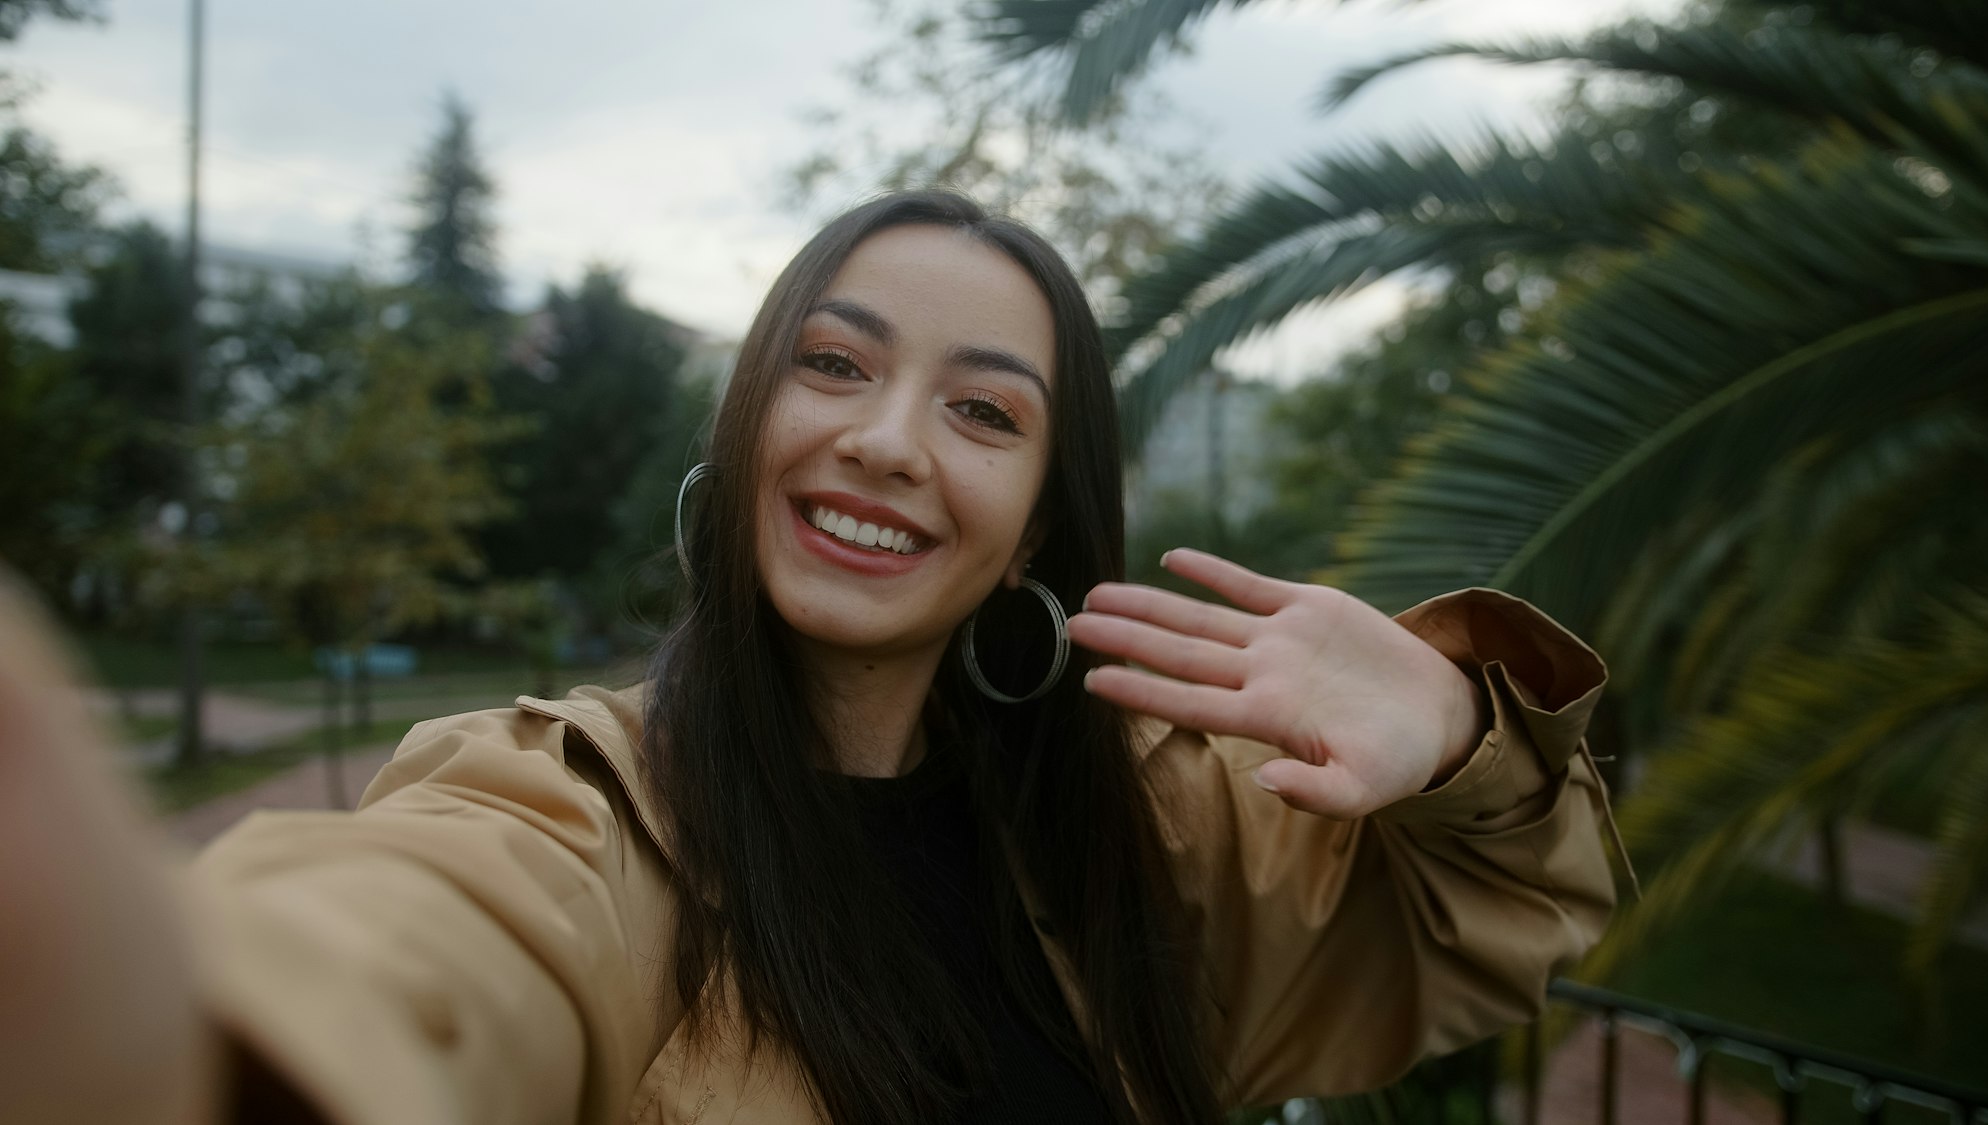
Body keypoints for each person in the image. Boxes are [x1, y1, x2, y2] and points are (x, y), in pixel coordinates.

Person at [0, 190, 1620, 1125]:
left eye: (983, 408)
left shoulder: (1152, 828)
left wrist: (1462, 728)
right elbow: (414, 955)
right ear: (750, 420)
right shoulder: (580, 810)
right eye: (833, 364)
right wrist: (162, 1030)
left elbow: (1502, 921)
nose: (886, 441)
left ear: (1041, 525)